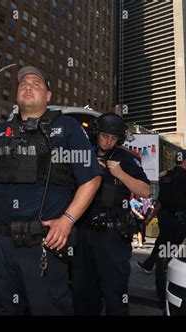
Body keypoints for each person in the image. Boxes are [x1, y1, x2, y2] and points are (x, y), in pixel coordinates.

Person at [0, 66, 102, 315]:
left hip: (43, 243)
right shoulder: (1, 131)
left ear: (49, 96)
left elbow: (92, 179)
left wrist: (67, 220)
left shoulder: (67, 128)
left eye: (36, 83)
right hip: (1, 245)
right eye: (22, 84)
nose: (27, 86)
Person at [72, 112, 151, 316]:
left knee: (114, 294)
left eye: (114, 138)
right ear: (97, 133)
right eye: (105, 136)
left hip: (111, 236)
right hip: (84, 233)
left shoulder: (124, 158)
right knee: (82, 292)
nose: (108, 141)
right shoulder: (85, 154)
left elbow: (145, 191)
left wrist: (120, 173)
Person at [154, 150, 186, 306]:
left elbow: (159, 202)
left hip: (166, 223)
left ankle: (162, 295)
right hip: (182, 224)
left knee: (163, 257)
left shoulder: (166, 177)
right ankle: (183, 292)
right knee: (185, 258)